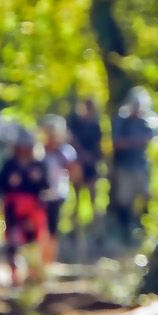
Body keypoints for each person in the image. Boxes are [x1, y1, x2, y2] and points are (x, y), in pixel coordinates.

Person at [0, 132, 49, 286]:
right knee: (13, 240)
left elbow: (46, 186)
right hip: (12, 209)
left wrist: (37, 179)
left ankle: (32, 273)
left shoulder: (38, 165)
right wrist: (10, 182)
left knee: (32, 241)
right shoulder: (9, 165)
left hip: (32, 210)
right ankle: (14, 274)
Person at [109, 87, 158, 242]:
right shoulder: (121, 121)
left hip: (142, 165)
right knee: (125, 199)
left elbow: (155, 140)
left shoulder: (149, 121)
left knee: (146, 196)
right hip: (124, 166)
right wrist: (136, 141)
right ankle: (125, 231)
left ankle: (143, 227)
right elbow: (116, 143)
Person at [38, 116, 79, 269]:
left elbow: (75, 172)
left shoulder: (65, 152)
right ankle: (39, 260)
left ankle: (49, 261)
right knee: (39, 228)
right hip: (39, 196)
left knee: (52, 229)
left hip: (57, 195)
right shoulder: (38, 150)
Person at [67, 98, 105, 230]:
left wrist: (96, 159)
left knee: (93, 195)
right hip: (77, 164)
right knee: (76, 196)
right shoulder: (75, 123)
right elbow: (71, 140)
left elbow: (98, 146)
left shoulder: (96, 127)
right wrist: (82, 154)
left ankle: (95, 227)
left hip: (91, 165)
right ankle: (75, 227)